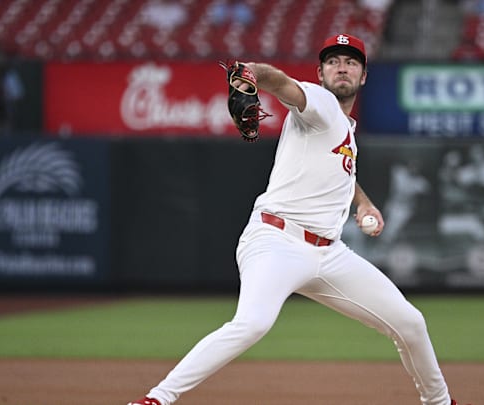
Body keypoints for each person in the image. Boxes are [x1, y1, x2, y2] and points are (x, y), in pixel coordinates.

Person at [128, 33, 461, 405]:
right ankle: (157, 399)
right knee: (252, 323)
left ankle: (440, 402)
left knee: (410, 323)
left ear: (364, 75)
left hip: (329, 254)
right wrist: (250, 73)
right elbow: (280, 83)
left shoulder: (344, 129)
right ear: (320, 73)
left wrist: (363, 204)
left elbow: (342, 174)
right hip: (277, 241)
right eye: (333, 61)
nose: (342, 67)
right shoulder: (319, 103)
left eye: (351, 62)